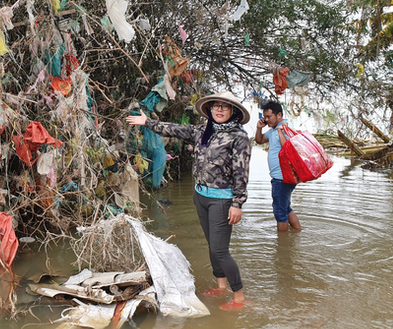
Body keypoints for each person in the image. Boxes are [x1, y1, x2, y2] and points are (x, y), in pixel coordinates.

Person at [126, 91, 252, 310]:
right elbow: (174, 128)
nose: (219, 110)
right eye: (216, 106)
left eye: (225, 106)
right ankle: (221, 286)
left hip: (222, 200)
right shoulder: (204, 130)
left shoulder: (238, 136)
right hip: (201, 196)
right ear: (210, 110)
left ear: (233, 112)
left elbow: (242, 172)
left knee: (220, 250)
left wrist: (237, 203)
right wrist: (148, 122)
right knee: (212, 246)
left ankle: (239, 297)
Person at [254, 100, 301, 232]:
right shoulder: (273, 129)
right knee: (286, 208)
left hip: (283, 177)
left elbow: (288, 148)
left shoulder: (286, 127)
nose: (266, 120)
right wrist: (259, 128)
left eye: (269, 117)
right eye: (265, 116)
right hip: (280, 177)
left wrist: (281, 130)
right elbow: (259, 140)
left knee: (280, 212)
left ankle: (282, 247)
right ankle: (298, 232)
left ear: (279, 115)